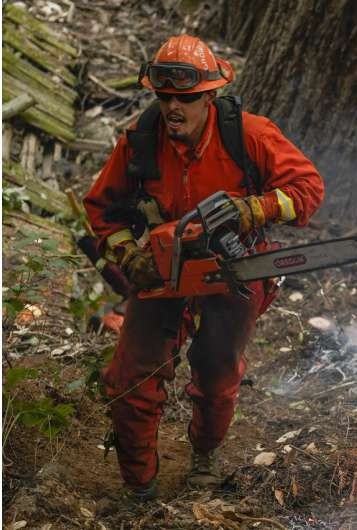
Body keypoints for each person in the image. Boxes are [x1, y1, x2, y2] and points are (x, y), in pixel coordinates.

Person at [83, 35, 324, 500]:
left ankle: (205, 455)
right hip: (161, 272)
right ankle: (139, 485)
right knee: (130, 378)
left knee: (216, 373)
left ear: (209, 95)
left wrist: (253, 209)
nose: (174, 107)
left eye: (186, 98)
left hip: (232, 272)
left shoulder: (248, 135)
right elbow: (102, 210)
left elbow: (307, 188)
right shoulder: (139, 141)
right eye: (165, 96)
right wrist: (128, 256)